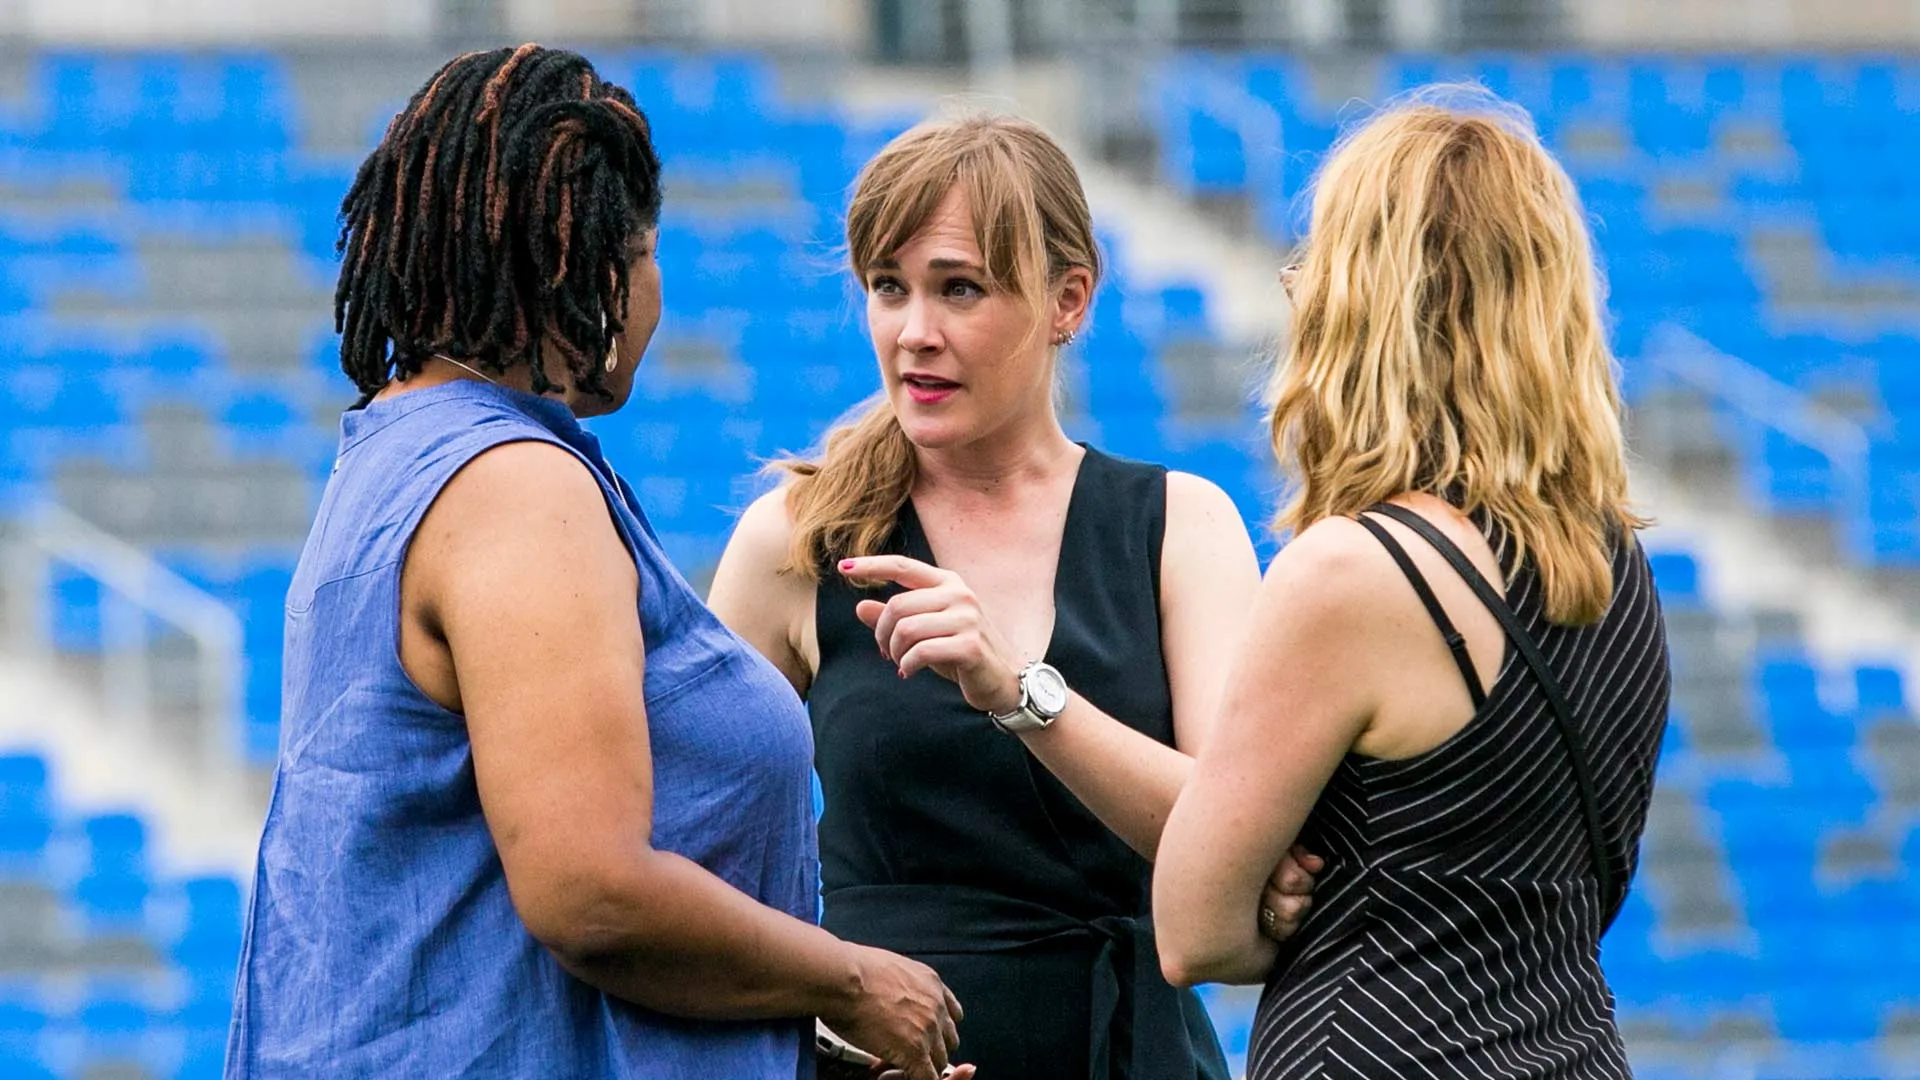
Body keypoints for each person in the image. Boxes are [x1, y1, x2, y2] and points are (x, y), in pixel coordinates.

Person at [226, 45, 969, 1080]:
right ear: (590, 262)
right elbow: (592, 893)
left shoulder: (403, 454)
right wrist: (850, 980)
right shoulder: (514, 487)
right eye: (652, 253)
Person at [709, 113, 1318, 1080]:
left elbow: (1236, 842)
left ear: (1067, 300)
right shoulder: (799, 539)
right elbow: (700, 856)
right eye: (888, 289)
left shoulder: (1178, 525)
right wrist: (821, 1015)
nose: (915, 333)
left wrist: (1019, 690)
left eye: (960, 289)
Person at [1152, 92, 1673, 1079]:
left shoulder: (1353, 572)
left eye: (1313, 266)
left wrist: (1286, 900)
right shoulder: (1620, 565)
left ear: (1367, 300)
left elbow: (1192, 931)